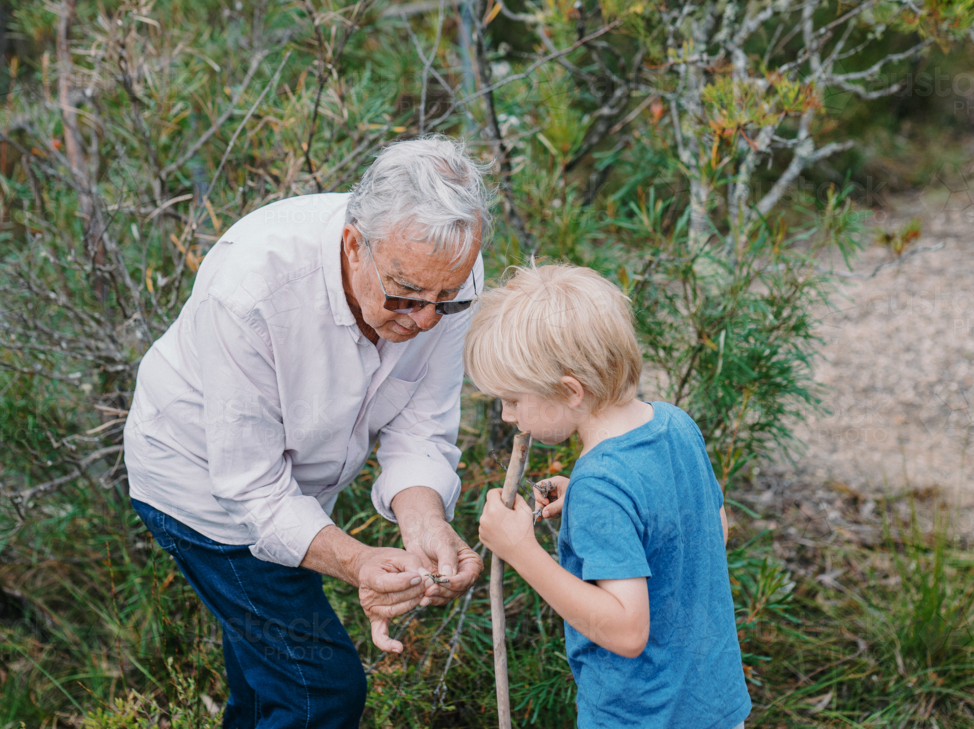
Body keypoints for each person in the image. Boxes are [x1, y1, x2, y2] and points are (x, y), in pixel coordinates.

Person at [124, 136, 488, 728]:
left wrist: (425, 523)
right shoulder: (251, 288)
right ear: (354, 246)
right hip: (202, 494)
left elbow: (421, 426)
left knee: (269, 684)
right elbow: (250, 490)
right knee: (319, 690)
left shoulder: (445, 267)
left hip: (289, 489)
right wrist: (360, 561)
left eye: (444, 300)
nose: (425, 319)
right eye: (406, 295)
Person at [469, 263, 751, 729]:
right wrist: (584, 501)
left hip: (641, 715)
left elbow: (626, 632)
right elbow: (710, 532)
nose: (505, 415)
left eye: (513, 400)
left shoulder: (602, 481)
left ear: (569, 391)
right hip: (713, 705)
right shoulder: (676, 425)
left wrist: (521, 551)